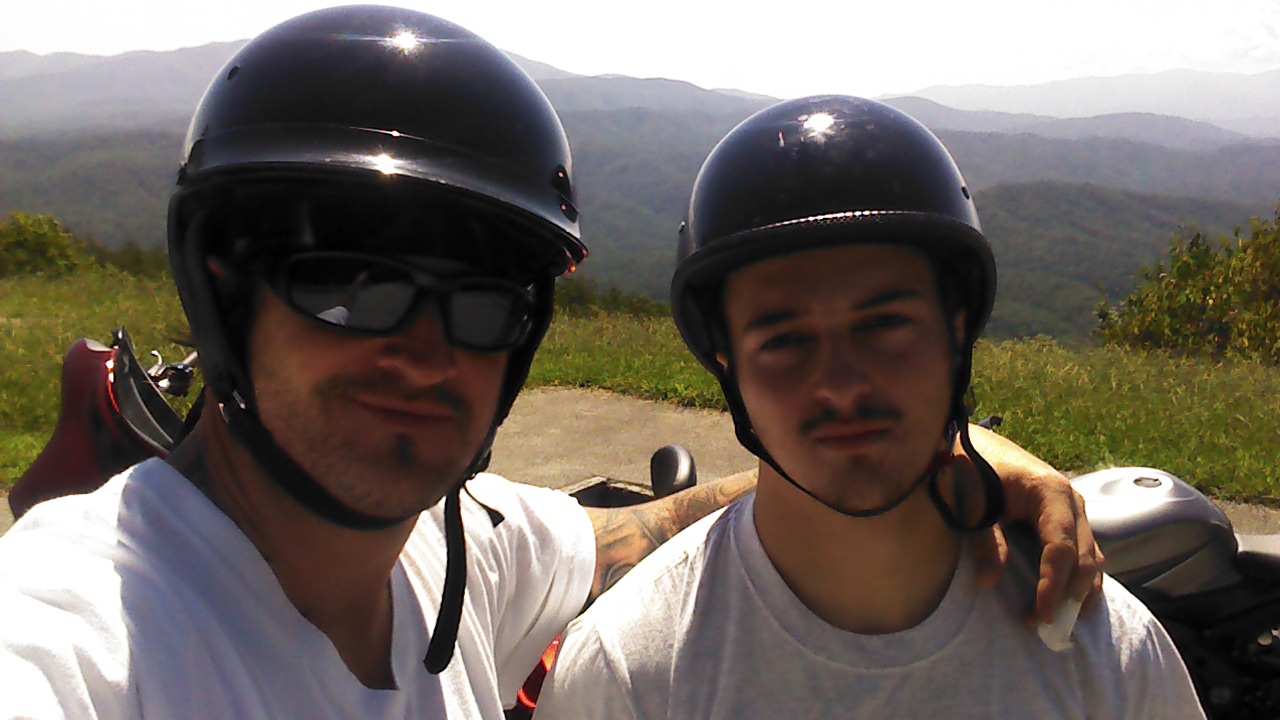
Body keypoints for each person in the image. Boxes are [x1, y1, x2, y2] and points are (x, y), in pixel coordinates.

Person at [0, 10, 1098, 719]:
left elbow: (657, 525)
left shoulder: (451, 554)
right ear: (226, 290)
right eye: (349, 285)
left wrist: (941, 449)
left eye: (481, 305)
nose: (420, 352)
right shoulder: (82, 633)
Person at [534, 95, 1205, 719]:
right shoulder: (627, 674)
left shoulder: (1113, 654)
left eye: (884, 325)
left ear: (957, 332)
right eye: (785, 340)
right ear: (726, 363)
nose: (842, 386)